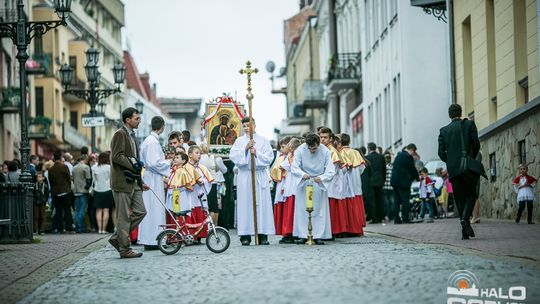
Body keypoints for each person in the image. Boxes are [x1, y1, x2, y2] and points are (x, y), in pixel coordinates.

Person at [109, 107, 148, 259]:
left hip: (134, 182)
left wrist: (141, 181)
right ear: (128, 120)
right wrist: (133, 165)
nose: (139, 121)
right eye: (136, 118)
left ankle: (117, 237)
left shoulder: (133, 136)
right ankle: (124, 249)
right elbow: (117, 157)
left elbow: (135, 161)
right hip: (122, 182)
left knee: (141, 211)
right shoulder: (120, 134)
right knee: (123, 217)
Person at [438, 103, 481, 240]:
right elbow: (476, 144)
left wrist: (450, 161)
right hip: (467, 166)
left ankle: (464, 230)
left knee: (459, 197)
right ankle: (464, 220)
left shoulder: (443, 131)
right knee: (472, 194)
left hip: (453, 169)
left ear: (449, 115)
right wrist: (470, 158)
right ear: (461, 112)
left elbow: (440, 153)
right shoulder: (469, 125)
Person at [229, 117, 275, 245]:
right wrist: (245, 148)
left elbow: (269, 158)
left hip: (259, 175)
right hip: (245, 175)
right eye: (244, 126)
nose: (246, 128)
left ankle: (262, 234)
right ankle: (245, 235)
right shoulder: (239, 141)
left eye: (249, 125)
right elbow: (233, 157)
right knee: (245, 205)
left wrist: (257, 153)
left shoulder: (264, 141)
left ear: (254, 125)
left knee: (261, 205)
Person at [291, 133, 335, 245]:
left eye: (314, 148)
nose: (312, 151)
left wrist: (322, 178)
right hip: (304, 182)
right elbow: (294, 167)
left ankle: (318, 235)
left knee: (319, 210)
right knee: (302, 210)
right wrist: (302, 174)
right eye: (310, 148)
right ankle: (303, 234)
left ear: (318, 144)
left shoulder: (325, 151)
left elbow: (330, 170)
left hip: (318, 182)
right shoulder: (300, 150)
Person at [138, 116, 171, 250]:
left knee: (153, 208)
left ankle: (151, 238)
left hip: (151, 176)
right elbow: (153, 163)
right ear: (162, 127)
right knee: (154, 209)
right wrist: (169, 163)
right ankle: (152, 239)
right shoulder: (152, 142)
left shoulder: (149, 140)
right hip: (152, 178)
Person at [318, 127, 346, 236]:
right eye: (321, 137)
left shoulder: (332, 151)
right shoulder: (321, 149)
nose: (322, 140)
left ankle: (333, 231)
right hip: (323, 182)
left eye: (325, 137)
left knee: (331, 209)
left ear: (330, 139)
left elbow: (332, 171)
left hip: (331, 184)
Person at [199, 143, 227, 225]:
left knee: (205, 205)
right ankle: (214, 225)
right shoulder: (213, 158)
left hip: (203, 184)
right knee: (214, 207)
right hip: (213, 182)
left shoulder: (199, 159)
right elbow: (222, 170)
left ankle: (206, 226)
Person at [391, 144, 419, 224]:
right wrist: (417, 178)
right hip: (403, 182)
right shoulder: (408, 156)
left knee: (396, 201)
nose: (413, 154)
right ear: (412, 149)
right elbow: (412, 169)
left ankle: (396, 219)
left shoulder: (399, 155)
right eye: (413, 152)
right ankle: (405, 218)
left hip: (395, 181)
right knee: (405, 200)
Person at [48, 151, 74, 233]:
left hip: (55, 192)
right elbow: (68, 179)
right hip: (65, 191)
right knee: (67, 211)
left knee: (58, 211)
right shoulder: (64, 167)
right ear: (60, 158)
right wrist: (69, 188)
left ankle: (60, 228)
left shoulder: (50, 169)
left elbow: (50, 181)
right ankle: (68, 228)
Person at [93, 151, 115, 234]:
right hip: (107, 190)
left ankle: (99, 229)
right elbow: (111, 180)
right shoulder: (109, 167)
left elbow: (94, 181)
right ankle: (103, 229)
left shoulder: (94, 167)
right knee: (106, 210)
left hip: (97, 190)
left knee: (98, 210)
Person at [365, 142, 386, 224]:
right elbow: (384, 170)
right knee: (380, 200)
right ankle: (381, 217)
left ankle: (375, 218)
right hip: (380, 181)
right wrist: (383, 180)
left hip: (371, 181)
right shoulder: (381, 157)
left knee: (372, 201)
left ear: (369, 148)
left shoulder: (367, 157)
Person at [73, 155, 92, 233]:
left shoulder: (74, 167)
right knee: (82, 209)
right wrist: (88, 188)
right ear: (85, 160)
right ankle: (80, 227)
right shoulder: (86, 167)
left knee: (77, 210)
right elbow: (88, 179)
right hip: (83, 190)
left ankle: (77, 226)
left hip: (76, 190)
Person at [33, 171, 49, 235]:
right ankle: (36, 229)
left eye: (40, 177)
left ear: (43, 178)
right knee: (36, 216)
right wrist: (34, 200)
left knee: (43, 216)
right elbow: (33, 194)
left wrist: (45, 200)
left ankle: (42, 230)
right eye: (37, 177)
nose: (38, 178)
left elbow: (47, 194)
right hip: (36, 202)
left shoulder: (45, 186)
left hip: (43, 202)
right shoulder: (35, 186)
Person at [383, 153, 395, 222]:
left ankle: (387, 216)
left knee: (387, 203)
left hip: (385, 187)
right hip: (391, 187)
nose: (387, 159)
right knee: (391, 202)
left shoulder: (384, 166)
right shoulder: (392, 166)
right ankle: (391, 216)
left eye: (388, 157)